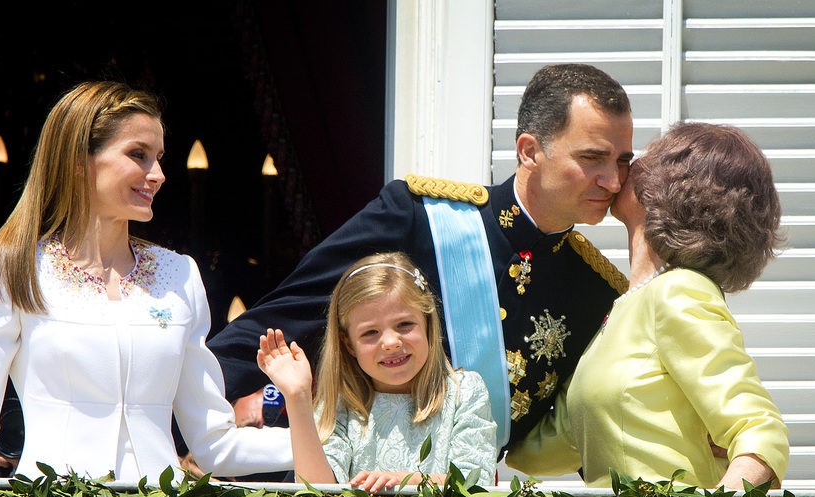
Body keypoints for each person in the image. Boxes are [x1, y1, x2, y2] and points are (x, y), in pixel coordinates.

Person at [208, 63, 633, 459]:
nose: (613, 181)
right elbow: (284, 322)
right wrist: (178, 418)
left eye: (622, 162)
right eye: (592, 158)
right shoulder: (418, 217)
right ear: (528, 151)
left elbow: (585, 429)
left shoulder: (595, 290)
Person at [0, 80, 292, 481]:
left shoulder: (180, 275)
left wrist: (335, 447)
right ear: (79, 160)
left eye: (159, 157)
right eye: (138, 155)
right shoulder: (14, 267)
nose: (157, 174)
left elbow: (214, 443)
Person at [505, 122, 790, 490]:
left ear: (665, 189)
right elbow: (537, 452)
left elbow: (758, 428)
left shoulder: (680, 291)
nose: (624, 170)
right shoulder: (622, 309)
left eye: (640, 160)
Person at [255, 253, 498, 492]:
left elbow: (475, 483)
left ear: (427, 324)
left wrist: (403, 482)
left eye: (404, 324)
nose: (391, 342)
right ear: (349, 344)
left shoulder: (463, 392)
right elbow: (318, 495)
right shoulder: (340, 404)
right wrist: (297, 398)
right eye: (370, 333)